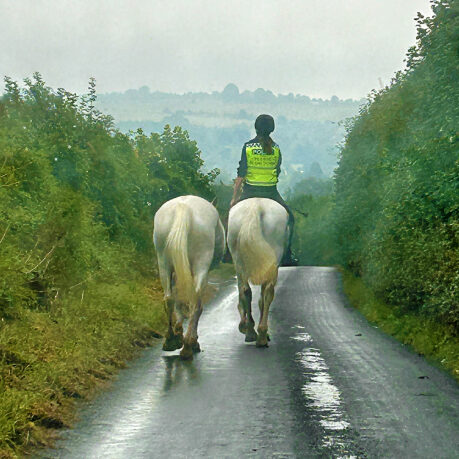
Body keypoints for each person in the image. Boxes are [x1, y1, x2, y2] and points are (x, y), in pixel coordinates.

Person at [230, 114, 298, 266]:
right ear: (272, 129)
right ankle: (287, 255)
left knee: (231, 217)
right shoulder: (276, 148)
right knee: (291, 219)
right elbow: (277, 170)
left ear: (256, 128)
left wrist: (234, 198)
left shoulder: (248, 147)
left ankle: (229, 252)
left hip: (249, 192)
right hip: (271, 193)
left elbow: (241, 174)